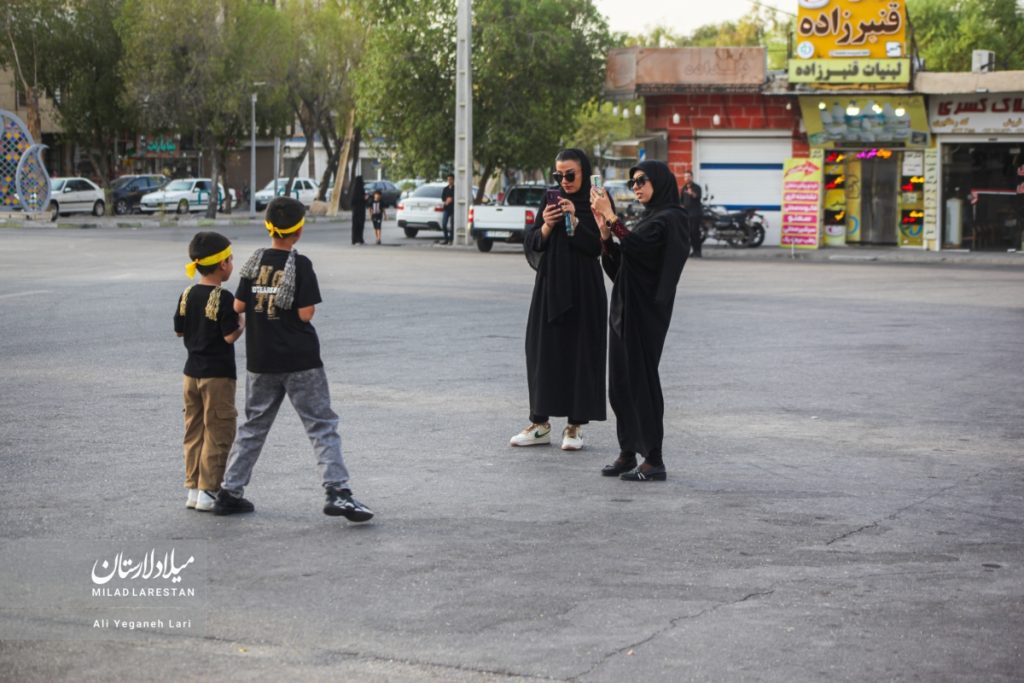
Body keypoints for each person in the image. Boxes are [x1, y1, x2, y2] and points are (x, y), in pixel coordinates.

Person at [213, 197, 374, 521]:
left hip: (261, 360)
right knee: (321, 425)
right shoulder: (300, 265)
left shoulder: (255, 261)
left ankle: (230, 491)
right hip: (301, 361)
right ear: (298, 231)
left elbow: (238, 306)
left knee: (254, 426)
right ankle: (337, 491)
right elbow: (305, 313)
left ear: (268, 227)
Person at [590, 161, 690, 481]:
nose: (636, 187)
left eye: (641, 180)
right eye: (632, 182)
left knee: (641, 384)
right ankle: (628, 451)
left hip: (646, 314)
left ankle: (654, 459)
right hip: (624, 311)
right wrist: (606, 235)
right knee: (620, 385)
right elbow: (622, 266)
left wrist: (611, 216)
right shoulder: (649, 218)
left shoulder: (673, 218)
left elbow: (640, 249)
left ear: (659, 181)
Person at [512, 148, 611, 451]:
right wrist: (546, 224)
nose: (564, 181)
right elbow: (532, 242)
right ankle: (539, 424)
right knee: (542, 352)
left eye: (570, 175)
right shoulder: (550, 199)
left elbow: (599, 246)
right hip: (550, 286)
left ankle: (575, 426)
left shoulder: (597, 199)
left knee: (581, 354)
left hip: (585, 288)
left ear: (584, 173)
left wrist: (576, 221)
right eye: (559, 175)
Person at [174, 231, 244, 511]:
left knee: (193, 431)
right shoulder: (223, 297)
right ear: (222, 264)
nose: (232, 264)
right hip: (217, 375)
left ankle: (193, 489)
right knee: (218, 430)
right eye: (231, 259)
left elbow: (179, 330)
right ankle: (209, 489)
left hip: (190, 374)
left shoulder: (187, 293)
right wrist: (242, 322)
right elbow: (229, 336)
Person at [681, 170, 703, 257]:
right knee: (688, 234)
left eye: (688, 176)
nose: (687, 178)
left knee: (695, 233)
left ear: (692, 177)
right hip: (686, 215)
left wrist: (692, 193)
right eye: (685, 177)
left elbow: (698, 197)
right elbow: (681, 201)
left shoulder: (697, 187)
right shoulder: (683, 188)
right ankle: (693, 251)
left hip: (695, 214)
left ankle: (698, 251)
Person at [350, 175, 366, 245]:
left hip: (356, 211)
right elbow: (358, 200)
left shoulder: (354, 191)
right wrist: (364, 199)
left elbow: (352, 202)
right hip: (359, 211)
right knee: (359, 226)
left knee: (356, 226)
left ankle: (356, 239)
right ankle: (358, 239)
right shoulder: (360, 191)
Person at [440, 173, 455, 245]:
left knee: (452, 224)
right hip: (446, 208)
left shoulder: (455, 189)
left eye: (451, 179)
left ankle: (451, 240)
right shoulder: (445, 189)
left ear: (453, 180)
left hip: (453, 209)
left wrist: (452, 199)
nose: (449, 181)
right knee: (444, 224)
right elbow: (443, 198)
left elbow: (456, 197)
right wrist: (447, 200)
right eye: (448, 179)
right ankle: (446, 239)